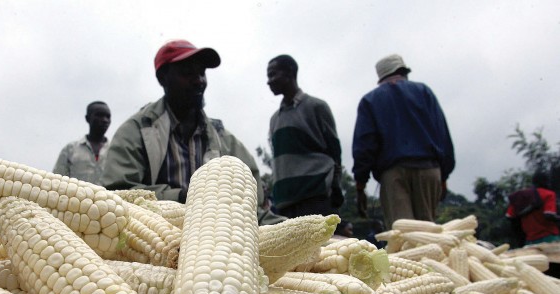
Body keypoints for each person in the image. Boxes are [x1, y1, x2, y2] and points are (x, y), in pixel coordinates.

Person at [101, 39, 285, 225]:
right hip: (155, 241)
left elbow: (252, 208)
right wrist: (186, 196)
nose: (199, 81)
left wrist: (289, 229)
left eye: (201, 73)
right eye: (187, 73)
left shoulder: (224, 140)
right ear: (162, 78)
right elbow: (118, 193)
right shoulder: (137, 131)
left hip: (216, 242)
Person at [352, 54, 455, 230]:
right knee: (429, 230)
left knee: (402, 234)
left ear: (381, 77)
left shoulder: (370, 100)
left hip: (394, 174)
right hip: (429, 169)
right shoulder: (424, 91)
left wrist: (360, 185)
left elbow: (365, 145)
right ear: (403, 72)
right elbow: (442, 134)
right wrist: (443, 176)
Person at [266, 54, 343, 218]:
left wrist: (335, 188)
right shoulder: (275, 119)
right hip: (284, 202)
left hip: (315, 197)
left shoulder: (316, 107)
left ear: (289, 72)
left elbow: (335, 152)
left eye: (273, 74)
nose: (269, 81)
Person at [53, 101, 111, 184]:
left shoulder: (115, 151)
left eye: (108, 117)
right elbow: (57, 181)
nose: (105, 120)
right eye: (99, 115)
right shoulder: (70, 149)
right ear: (87, 118)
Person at [506, 170, 560, 246]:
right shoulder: (549, 194)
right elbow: (549, 215)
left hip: (529, 241)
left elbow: (509, 216)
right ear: (546, 181)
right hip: (549, 237)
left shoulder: (520, 196)